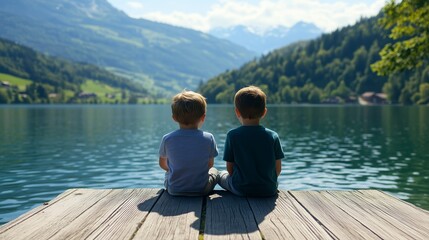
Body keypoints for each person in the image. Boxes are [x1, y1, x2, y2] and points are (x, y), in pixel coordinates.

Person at [219, 86, 284, 197]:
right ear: (264, 112)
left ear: (237, 112)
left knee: (220, 175)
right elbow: (277, 169)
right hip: (269, 189)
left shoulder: (232, 135)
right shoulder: (273, 136)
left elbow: (229, 170)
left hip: (241, 189)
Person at [159, 90, 219, 196]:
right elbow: (210, 164)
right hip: (202, 189)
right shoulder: (209, 138)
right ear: (203, 117)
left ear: (174, 118)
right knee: (215, 171)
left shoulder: (167, 139)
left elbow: (162, 164)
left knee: (168, 173)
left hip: (174, 190)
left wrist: (176, 169)